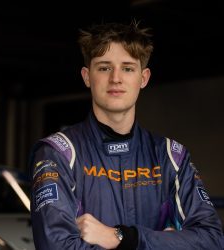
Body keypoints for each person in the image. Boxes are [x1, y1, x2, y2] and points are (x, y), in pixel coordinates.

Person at [29, 21, 224, 249]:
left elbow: (212, 240)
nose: (116, 79)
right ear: (86, 76)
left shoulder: (170, 156)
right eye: (104, 67)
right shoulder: (58, 153)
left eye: (128, 68)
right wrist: (167, 242)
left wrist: (122, 237)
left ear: (143, 78)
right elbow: (58, 247)